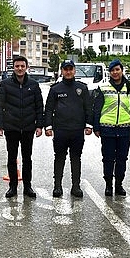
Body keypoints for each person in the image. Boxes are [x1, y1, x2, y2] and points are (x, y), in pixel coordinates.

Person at [0, 55, 44, 198]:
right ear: (13, 68)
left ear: (26, 67)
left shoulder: (34, 85)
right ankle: (13, 187)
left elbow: (39, 106)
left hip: (28, 127)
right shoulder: (5, 84)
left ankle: (28, 186)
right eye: (17, 66)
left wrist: (39, 125)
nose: (20, 68)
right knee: (11, 157)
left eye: (22, 66)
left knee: (27, 158)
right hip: (11, 127)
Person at [44, 59, 93, 198]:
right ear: (62, 71)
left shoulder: (82, 88)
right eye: (65, 69)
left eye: (71, 69)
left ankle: (76, 186)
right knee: (59, 158)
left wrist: (89, 125)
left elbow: (88, 108)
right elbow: (48, 109)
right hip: (60, 130)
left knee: (76, 158)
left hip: (77, 130)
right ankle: (57, 186)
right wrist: (48, 126)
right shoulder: (55, 89)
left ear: (74, 70)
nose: (68, 71)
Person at [93, 58, 130, 196]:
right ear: (109, 73)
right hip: (107, 129)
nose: (115, 72)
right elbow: (96, 109)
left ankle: (119, 184)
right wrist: (96, 127)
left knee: (122, 159)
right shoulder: (103, 88)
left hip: (124, 129)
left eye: (117, 69)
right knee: (108, 158)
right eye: (112, 70)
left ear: (122, 70)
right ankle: (109, 185)